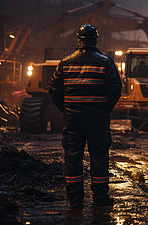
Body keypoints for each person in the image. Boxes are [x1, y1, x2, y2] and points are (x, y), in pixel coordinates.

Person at [48, 23, 122, 209]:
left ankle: (75, 200)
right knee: (99, 157)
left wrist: (65, 108)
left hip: (73, 120)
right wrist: (105, 108)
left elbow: (54, 88)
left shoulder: (65, 62)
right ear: (95, 40)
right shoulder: (105, 62)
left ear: (79, 40)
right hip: (97, 120)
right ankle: (100, 198)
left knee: (73, 158)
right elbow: (115, 88)